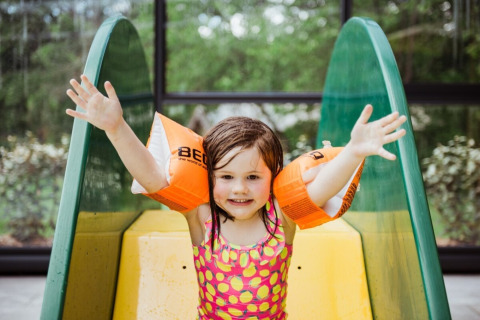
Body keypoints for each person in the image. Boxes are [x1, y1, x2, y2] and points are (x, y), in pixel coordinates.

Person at [66, 74, 407, 319]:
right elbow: (154, 177)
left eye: (253, 177)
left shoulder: (281, 216)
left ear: (273, 176)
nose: (239, 188)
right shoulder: (202, 218)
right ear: (209, 177)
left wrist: (353, 152)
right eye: (226, 177)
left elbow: (321, 189)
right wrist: (116, 128)